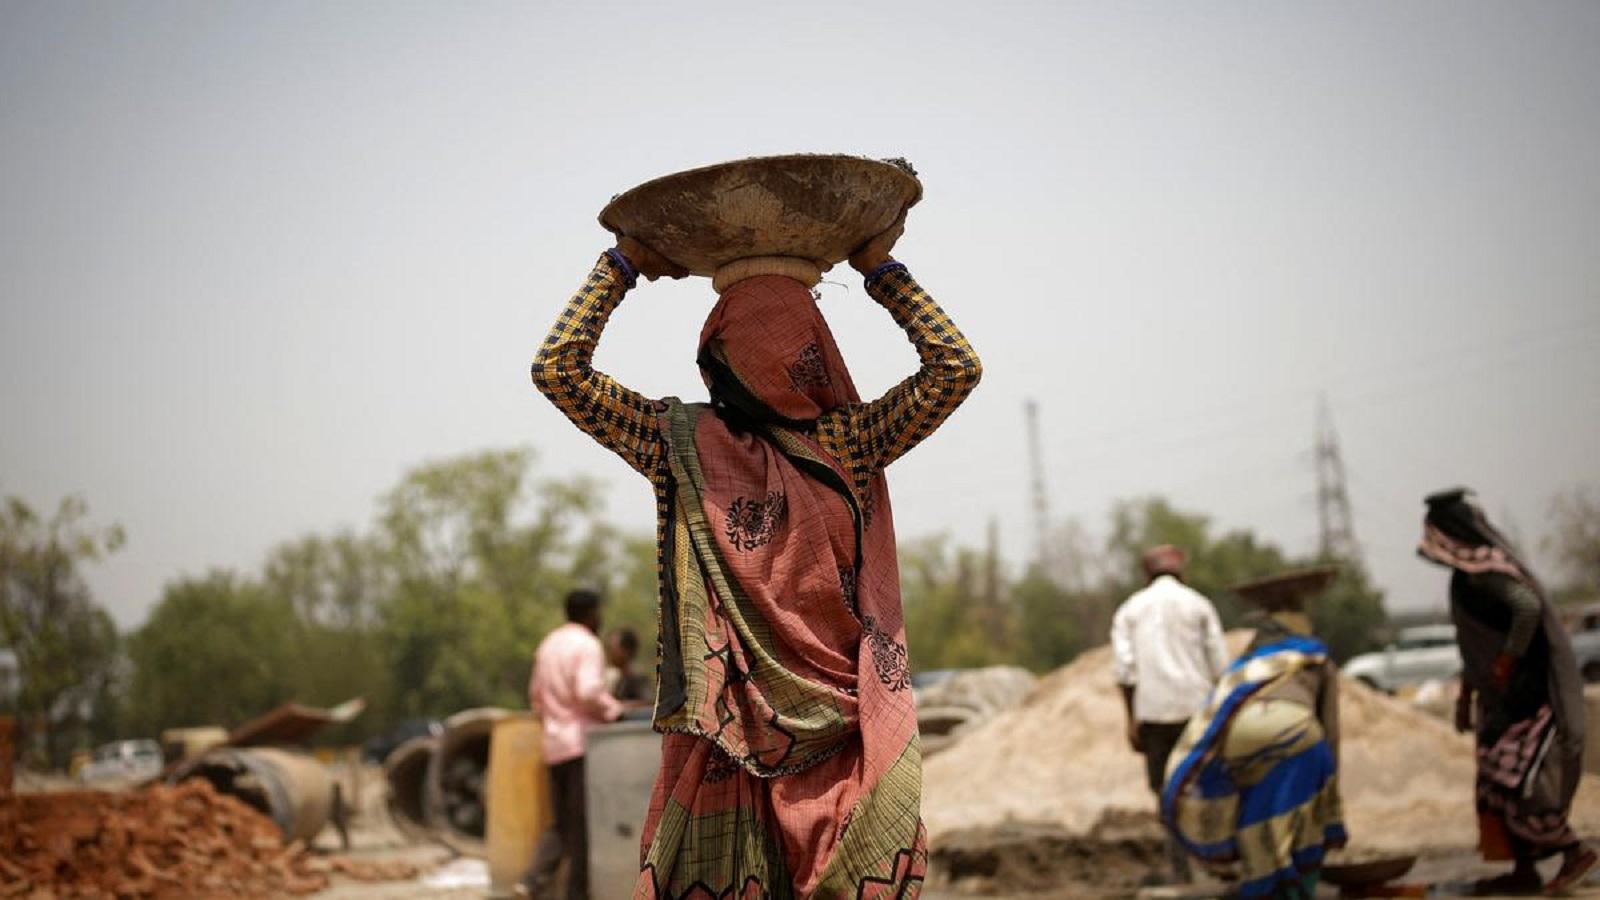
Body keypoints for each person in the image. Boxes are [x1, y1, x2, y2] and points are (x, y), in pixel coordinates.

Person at [531, 218, 980, 898]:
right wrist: (880, 271)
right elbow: (955, 368)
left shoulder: (675, 444)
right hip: (843, 739)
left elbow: (558, 368)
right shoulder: (851, 442)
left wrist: (622, 265)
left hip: (730, 737)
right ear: (815, 351)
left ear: (715, 356)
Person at [1418, 488, 1598, 896]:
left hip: (1525, 696)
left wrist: (1506, 660)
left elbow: (1526, 608)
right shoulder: (1466, 579)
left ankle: (1573, 851)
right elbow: (1472, 644)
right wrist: (1466, 695)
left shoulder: (1490, 571)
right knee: (1494, 782)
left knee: (1514, 778)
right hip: (1498, 699)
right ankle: (1523, 869)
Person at [1161, 566, 1347, 900]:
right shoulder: (1315, 657)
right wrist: (1329, 795)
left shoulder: (1247, 665)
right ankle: (1294, 890)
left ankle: (1260, 883)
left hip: (1238, 739)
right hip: (1295, 730)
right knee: (1301, 823)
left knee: (1258, 818)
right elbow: (1329, 731)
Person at [1111, 544, 1230, 883]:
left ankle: (1181, 870)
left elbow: (1125, 671)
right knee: (1202, 786)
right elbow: (1220, 666)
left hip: (1153, 714)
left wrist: (1131, 719)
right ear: (1181, 571)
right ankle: (1211, 862)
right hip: (1197, 712)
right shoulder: (1198, 604)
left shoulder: (1131, 609)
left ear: (1147, 573)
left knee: (1165, 793)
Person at [520, 590, 624, 900]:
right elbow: (588, 692)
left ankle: (530, 881)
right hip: (582, 745)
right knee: (582, 829)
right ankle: (576, 894)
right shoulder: (586, 644)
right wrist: (614, 711)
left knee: (563, 825)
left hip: (553, 745)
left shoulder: (549, 644)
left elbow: (536, 697)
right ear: (592, 614)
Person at [603, 626, 652, 704]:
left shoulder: (638, 678)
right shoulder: (611, 676)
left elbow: (646, 703)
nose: (609, 652)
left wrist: (618, 706)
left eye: (611, 648)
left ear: (626, 651)